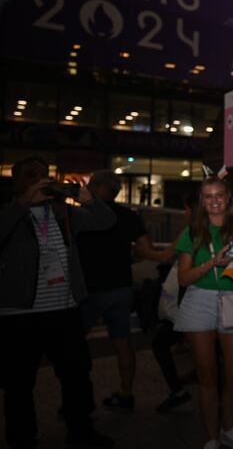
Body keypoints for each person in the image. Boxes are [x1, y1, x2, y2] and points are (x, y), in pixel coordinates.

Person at [0, 156, 116, 448]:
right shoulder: (9, 213)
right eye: (31, 176)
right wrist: (22, 204)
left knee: (76, 375)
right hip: (19, 313)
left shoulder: (62, 213)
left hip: (63, 310)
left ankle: (81, 432)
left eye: (44, 175)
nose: (40, 181)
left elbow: (106, 221)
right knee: (18, 383)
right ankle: (21, 439)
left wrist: (86, 198)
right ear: (16, 182)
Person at [174, 176, 233, 449]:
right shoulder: (192, 232)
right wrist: (212, 263)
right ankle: (211, 437)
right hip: (198, 300)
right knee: (208, 376)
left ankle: (228, 427)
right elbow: (183, 279)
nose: (214, 201)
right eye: (208, 196)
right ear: (202, 200)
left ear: (228, 197)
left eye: (219, 195)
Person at [77, 169, 174, 412]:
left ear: (97, 187)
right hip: (120, 287)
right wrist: (127, 255)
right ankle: (126, 392)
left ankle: (78, 397)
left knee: (76, 345)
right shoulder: (128, 216)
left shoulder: (81, 214)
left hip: (88, 289)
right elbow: (146, 248)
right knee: (123, 343)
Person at [151, 191, 197, 413]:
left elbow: (165, 256)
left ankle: (179, 391)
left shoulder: (191, 233)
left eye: (187, 208)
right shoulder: (205, 232)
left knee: (160, 343)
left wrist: (142, 251)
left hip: (187, 303)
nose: (185, 213)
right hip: (193, 303)